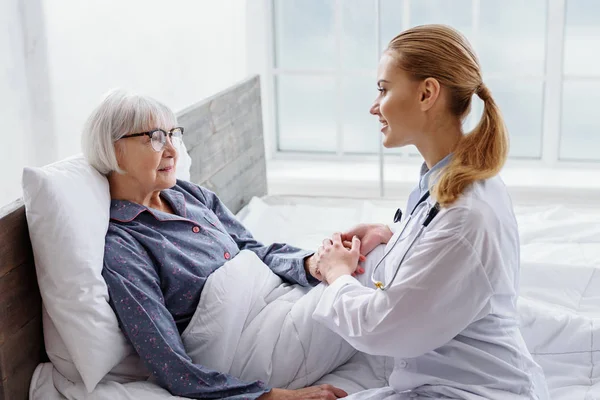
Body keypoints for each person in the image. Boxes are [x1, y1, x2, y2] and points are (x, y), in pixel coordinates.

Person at [312, 25, 550, 399]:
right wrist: (392, 234)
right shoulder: (450, 181)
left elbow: (383, 327)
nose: (374, 106)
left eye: (384, 88)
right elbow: (438, 257)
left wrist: (336, 274)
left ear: (427, 93)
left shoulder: (466, 214)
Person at [81, 89, 358, 400]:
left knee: (363, 257)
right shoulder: (123, 245)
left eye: (173, 135)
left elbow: (254, 249)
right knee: (370, 273)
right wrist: (278, 397)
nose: (172, 150)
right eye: (155, 138)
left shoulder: (188, 194)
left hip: (274, 303)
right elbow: (169, 362)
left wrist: (316, 264)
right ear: (114, 150)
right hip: (248, 349)